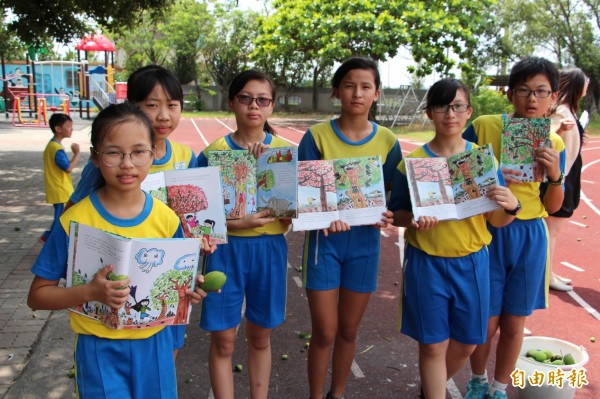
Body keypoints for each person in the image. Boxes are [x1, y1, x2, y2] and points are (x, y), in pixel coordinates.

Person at [27, 102, 211, 398]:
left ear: (153, 154)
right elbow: (36, 296)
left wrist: (189, 289)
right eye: (114, 152)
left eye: (139, 152)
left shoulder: (167, 219)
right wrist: (89, 292)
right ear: (96, 158)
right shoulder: (73, 221)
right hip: (99, 350)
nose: (128, 164)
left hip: (155, 347)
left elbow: (176, 289)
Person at [388, 78, 519, 399]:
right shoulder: (412, 163)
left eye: (457, 106)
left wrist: (512, 205)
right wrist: (415, 221)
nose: (450, 113)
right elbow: (397, 215)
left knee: (466, 343)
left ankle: (429, 388)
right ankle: (434, 392)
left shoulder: (483, 162)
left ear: (468, 112)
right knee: (432, 346)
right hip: (427, 263)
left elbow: (498, 221)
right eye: (441, 106)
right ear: (430, 113)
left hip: (473, 262)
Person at [66, 65, 197, 357]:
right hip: (117, 285)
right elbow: (76, 207)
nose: (163, 115)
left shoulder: (187, 156)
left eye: (172, 105)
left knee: (166, 348)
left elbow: (201, 215)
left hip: (165, 272)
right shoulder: (108, 162)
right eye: (152, 105)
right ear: (133, 108)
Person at [297, 57, 403, 399]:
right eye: (349, 85)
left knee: (348, 330)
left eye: (366, 86)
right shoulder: (316, 137)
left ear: (377, 94)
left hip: (365, 246)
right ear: (336, 92)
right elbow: (304, 197)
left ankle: (337, 394)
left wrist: (386, 214)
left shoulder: (387, 141)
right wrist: (327, 215)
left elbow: (389, 196)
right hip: (324, 245)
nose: (357, 93)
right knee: (325, 332)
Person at [462, 57, 566, 399]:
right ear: (510, 94)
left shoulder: (555, 142)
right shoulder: (485, 126)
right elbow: (454, 169)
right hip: (489, 230)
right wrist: (488, 176)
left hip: (530, 234)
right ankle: (477, 380)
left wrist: (555, 175)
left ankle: (499, 387)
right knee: (486, 321)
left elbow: (553, 206)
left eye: (541, 92)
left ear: (553, 97)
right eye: (523, 90)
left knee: (514, 322)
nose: (531, 100)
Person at [196, 70, 290, 399]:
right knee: (223, 339)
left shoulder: (284, 154)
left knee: (261, 337)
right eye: (246, 98)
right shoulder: (211, 153)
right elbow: (198, 218)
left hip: (269, 251)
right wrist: (239, 223)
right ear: (232, 102)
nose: (254, 106)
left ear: (271, 106)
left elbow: (292, 218)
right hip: (226, 252)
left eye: (262, 100)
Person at [545, 67, 590, 291]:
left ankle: (549, 272)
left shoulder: (568, 110)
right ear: (575, 85)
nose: (587, 86)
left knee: (555, 229)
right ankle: (546, 276)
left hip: (568, 171)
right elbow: (550, 141)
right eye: (585, 82)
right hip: (561, 174)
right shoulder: (561, 111)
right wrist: (563, 131)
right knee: (551, 228)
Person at [42, 113, 80, 242]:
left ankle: (47, 238)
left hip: (57, 189)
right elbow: (68, 168)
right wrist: (77, 154)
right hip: (60, 190)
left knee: (60, 218)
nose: (71, 129)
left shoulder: (52, 146)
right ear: (58, 129)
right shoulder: (56, 149)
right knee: (61, 219)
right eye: (68, 126)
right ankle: (48, 239)